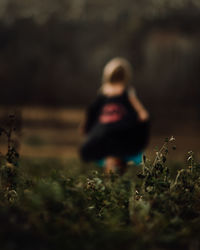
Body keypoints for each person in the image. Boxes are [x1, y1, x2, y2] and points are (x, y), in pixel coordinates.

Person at [79, 57, 150, 174]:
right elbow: (143, 116)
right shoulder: (127, 92)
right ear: (126, 76)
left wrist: (88, 130)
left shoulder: (102, 93)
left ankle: (110, 180)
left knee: (110, 163)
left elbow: (89, 118)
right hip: (122, 137)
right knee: (120, 162)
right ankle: (117, 180)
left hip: (101, 138)